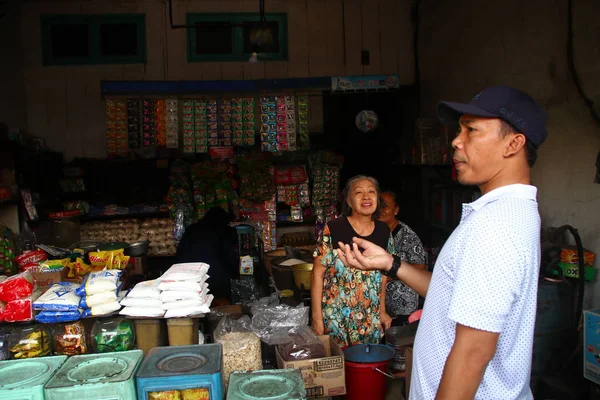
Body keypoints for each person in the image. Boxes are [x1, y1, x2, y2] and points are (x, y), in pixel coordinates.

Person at [337, 86, 547, 399]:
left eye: (471, 130)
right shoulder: (506, 212)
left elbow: (473, 353)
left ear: (513, 143)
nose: (456, 140)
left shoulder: (496, 225)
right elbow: (450, 293)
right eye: (460, 128)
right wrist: (391, 264)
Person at [311, 175, 392, 347]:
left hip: (369, 317)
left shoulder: (384, 231)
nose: (366, 197)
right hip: (336, 317)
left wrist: (382, 311)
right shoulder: (334, 228)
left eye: (371, 192)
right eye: (358, 192)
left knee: (366, 366)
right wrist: (317, 318)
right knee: (339, 367)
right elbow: (317, 273)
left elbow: (384, 276)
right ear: (348, 200)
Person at [378, 190, 427, 323]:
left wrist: (393, 272)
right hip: (380, 305)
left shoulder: (407, 236)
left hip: (403, 305)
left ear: (396, 210)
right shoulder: (375, 231)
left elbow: (421, 267)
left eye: (386, 206)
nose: (381, 210)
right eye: (379, 205)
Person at [176, 206, 239, 306]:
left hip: (190, 276)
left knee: (194, 305)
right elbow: (230, 256)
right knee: (222, 304)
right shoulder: (226, 231)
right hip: (215, 277)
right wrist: (235, 274)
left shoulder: (191, 229)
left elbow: (180, 253)